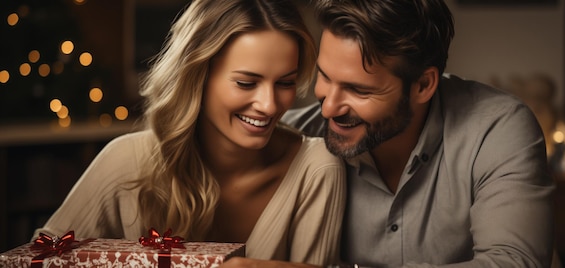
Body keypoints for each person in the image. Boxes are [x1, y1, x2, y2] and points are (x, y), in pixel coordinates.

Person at [32, 0, 346, 266]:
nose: (269, 105)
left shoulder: (316, 168)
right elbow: (38, 256)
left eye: (285, 83)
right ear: (197, 76)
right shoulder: (126, 159)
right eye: (246, 83)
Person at [278, 0, 555, 267]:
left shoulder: (497, 129)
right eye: (324, 76)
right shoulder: (293, 135)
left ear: (423, 85)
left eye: (358, 90)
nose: (328, 107)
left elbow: (515, 262)